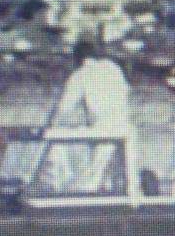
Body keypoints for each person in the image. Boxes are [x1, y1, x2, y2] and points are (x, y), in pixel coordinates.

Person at [46, 40, 132, 193]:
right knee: (114, 173)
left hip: (103, 129)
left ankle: (70, 190)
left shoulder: (80, 74)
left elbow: (64, 108)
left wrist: (50, 126)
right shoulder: (114, 68)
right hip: (125, 127)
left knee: (92, 176)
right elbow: (125, 92)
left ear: (77, 59)